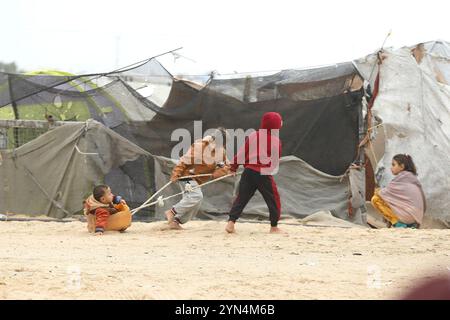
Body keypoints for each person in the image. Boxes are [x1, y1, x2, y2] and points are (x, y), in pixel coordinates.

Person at [225, 112, 283, 234]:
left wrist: (233, 168)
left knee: (241, 198)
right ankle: (274, 227)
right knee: (273, 199)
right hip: (264, 173)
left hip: (248, 172)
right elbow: (275, 161)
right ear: (276, 125)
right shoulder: (276, 140)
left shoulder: (253, 136)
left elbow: (242, 153)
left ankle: (231, 223)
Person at [165, 128, 231, 230]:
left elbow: (227, 166)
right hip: (187, 176)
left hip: (197, 180)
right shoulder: (200, 146)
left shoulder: (221, 152)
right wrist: (176, 173)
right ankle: (172, 211)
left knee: (196, 202)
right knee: (196, 196)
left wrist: (222, 171)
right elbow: (184, 161)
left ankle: (176, 222)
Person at [371, 154, 426, 228]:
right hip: (416, 217)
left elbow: (381, 193)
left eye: (393, 165)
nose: (391, 168)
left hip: (408, 216)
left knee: (375, 199)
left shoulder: (400, 179)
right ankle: (410, 225)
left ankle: (399, 224)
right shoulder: (412, 178)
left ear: (402, 166)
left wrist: (377, 189)